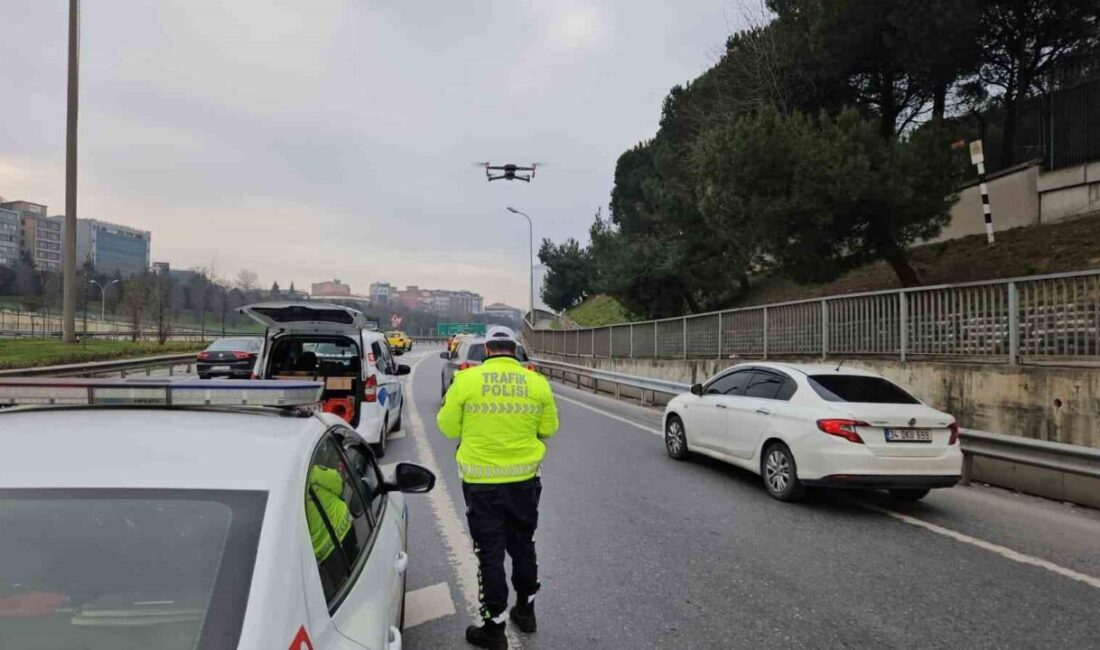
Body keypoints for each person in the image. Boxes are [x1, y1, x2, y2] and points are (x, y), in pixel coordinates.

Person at [437, 325, 559, 649]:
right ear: (515, 351)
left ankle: (494, 630)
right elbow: (548, 428)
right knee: (524, 544)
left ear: (488, 349)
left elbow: (447, 427)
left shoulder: (466, 381)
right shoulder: (537, 382)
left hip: (482, 485)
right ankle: (526, 611)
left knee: (489, 554)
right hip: (524, 482)